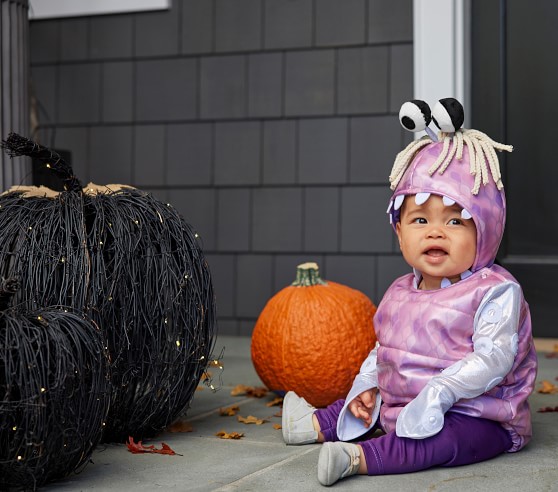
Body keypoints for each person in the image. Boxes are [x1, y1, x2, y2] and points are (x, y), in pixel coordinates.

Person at [281, 98, 538, 486]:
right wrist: (367, 386)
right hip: (405, 401)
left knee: (446, 439)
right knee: (365, 405)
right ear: (400, 231)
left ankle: (360, 458)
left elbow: (494, 360)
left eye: (456, 220)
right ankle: (318, 424)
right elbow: (384, 350)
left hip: (480, 415)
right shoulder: (400, 291)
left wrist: (440, 392)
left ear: (487, 229)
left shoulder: (496, 292)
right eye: (420, 219)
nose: (435, 232)